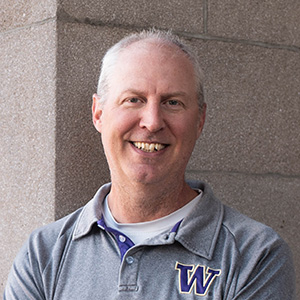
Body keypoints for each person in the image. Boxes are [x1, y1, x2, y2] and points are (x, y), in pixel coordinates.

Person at [4, 30, 296, 299]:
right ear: (99, 114)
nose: (153, 121)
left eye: (172, 103)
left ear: (200, 120)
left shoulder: (254, 256)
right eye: (133, 99)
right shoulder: (43, 254)